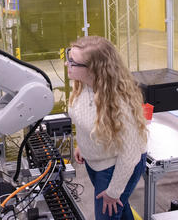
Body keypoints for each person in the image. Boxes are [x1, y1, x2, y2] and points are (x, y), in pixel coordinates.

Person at [65, 36, 148, 220]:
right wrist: (83, 145)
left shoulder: (118, 102)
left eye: (73, 62)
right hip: (96, 161)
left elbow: (130, 155)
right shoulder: (83, 85)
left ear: (94, 69)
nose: (66, 64)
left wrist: (114, 191)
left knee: (109, 211)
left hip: (116, 166)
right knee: (121, 210)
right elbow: (85, 120)